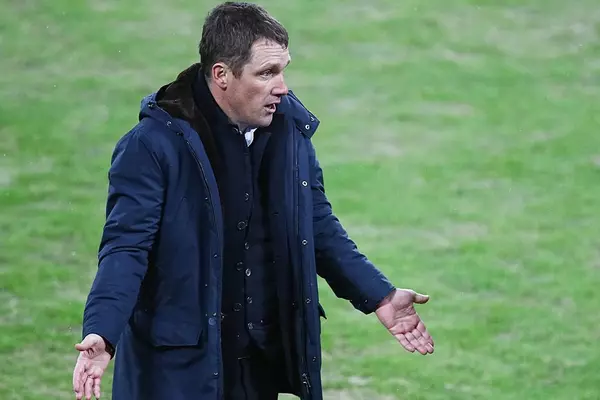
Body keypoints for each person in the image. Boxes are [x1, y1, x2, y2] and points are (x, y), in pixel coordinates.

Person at [71, 2, 434, 400]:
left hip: (256, 367)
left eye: (283, 70)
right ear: (222, 75)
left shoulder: (288, 132)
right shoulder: (150, 146)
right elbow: (126, 248)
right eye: (266, 73)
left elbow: (316, 225)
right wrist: (102, 331)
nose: (282, 87)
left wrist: (379, 295)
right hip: (177, 372)